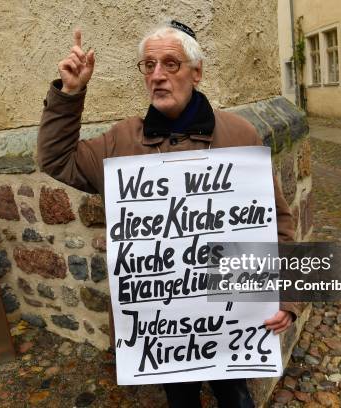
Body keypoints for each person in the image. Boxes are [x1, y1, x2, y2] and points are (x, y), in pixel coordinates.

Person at [37, 20, 302, 407]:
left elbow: (278, 224)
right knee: (180, 399)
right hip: (166, 328)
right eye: (148, 65)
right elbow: (55, 159)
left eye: (170, 64)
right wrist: (70, 94)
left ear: (196, 73)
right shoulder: (120, 142)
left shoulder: (240, 135)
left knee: (236, 396)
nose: (157, 75)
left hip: (232, 315)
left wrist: (288, 298)